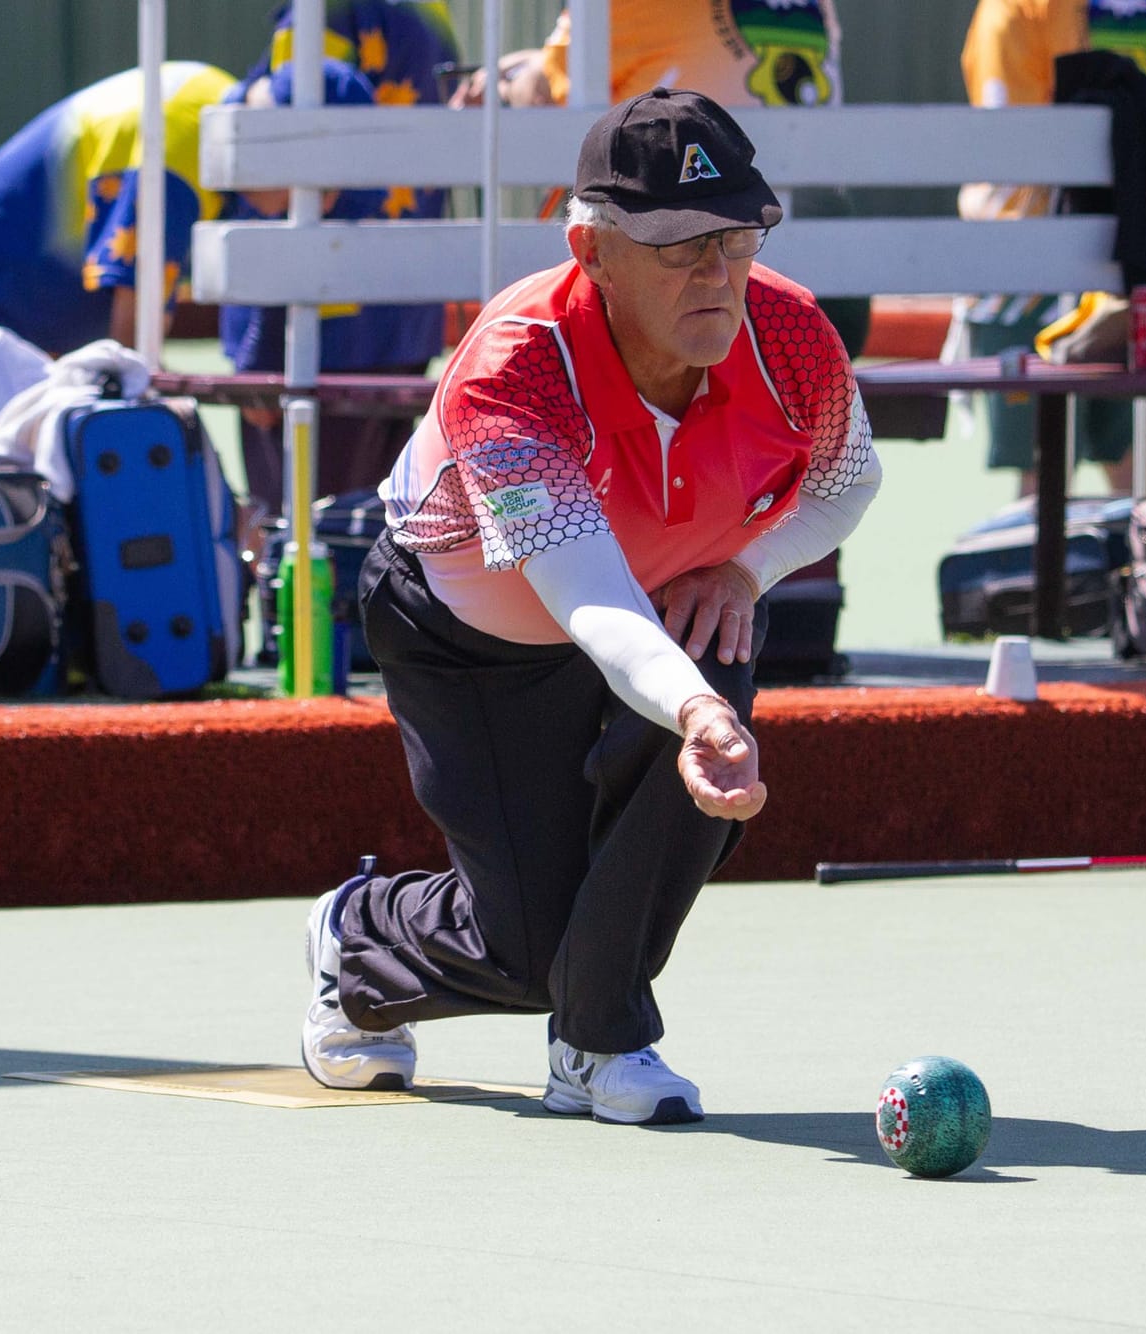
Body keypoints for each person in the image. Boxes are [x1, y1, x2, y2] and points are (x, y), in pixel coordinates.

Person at [302, 89, 881, 1124]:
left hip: (671, 605)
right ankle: (362, 935)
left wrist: (742, 569)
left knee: (708, 665)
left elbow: (845, 483)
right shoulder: (515, 369)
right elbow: (590, 598)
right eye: (674, 246)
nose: (715, 272)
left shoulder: (791, 336)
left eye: (735, 234)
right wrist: (700, 709)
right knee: (527, 949)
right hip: (469, 633)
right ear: (590, 247)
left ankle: (598, 1039)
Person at [0, 60, 375, 404]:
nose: (322, 205)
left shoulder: (212, 102)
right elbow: (134, 353)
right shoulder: (177, 157)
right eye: (318, 185)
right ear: (280, 143)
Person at [457, 1, 868, 360]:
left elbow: (545, 92)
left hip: (705, 304)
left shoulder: (624, 6)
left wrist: (504, 79)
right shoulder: (815, 7)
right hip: (837, 292)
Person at [226, 1, 463, 516]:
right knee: (384, 522)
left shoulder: (321, 16)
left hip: (323, 321)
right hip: (405, 303)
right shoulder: (426, 16)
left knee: (300, 524)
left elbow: (296, 114)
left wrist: (255, 354)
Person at [946, 0, 1146, 497]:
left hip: (1134, 255)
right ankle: (1037, 577)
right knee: (1045, 468)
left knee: (1135, 458)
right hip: (1032, 267)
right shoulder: (1016, 10)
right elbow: (1013, 150)